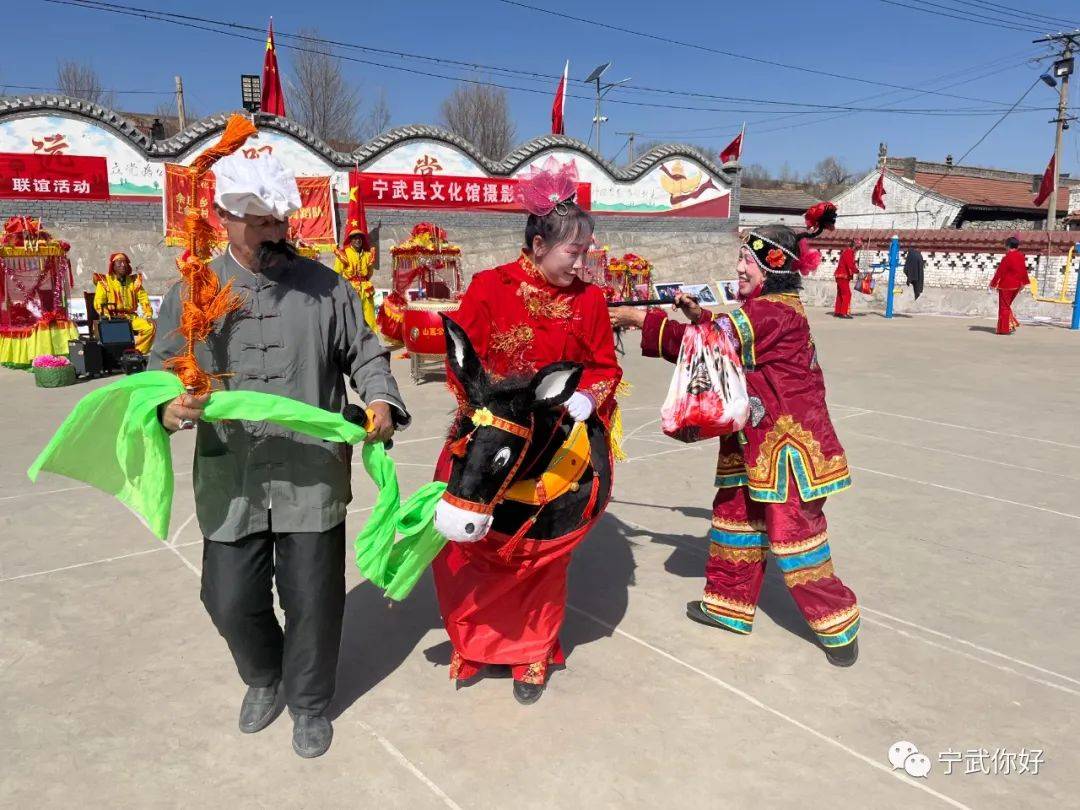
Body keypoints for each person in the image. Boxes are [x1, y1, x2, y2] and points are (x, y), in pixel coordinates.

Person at [149, 152, 409, 758]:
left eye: (277, 221)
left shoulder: (327, 289)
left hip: (311, 475)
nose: (272, 233)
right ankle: (264, 676)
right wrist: (166, 409)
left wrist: (379, 399)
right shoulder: (193, 295)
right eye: (257, 222)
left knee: (314, 601)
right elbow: (158, 375)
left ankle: (312, 704)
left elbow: (366, 354)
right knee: (228, 599)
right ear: (223, 219)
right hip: (231, 477)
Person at [610, 203, 860, 666]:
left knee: (794, 537)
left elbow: (703, 349)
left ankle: (838, 621)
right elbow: (718, 338)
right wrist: (698, 314)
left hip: (788, 449)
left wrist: (636, 320)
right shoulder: (764, 311)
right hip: (756, 441)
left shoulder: (769, 313)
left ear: (772, 266)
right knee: (736, 521)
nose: (739, 268)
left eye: (747, 260)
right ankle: (728, 605)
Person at [431, 157, 623, 704]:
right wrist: (485, 407)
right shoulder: (491, 288)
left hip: (554, 448)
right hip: (493, 437)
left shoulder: (589, 301)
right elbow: (460, 360)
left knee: (541, 556)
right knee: (467, 554)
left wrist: (588, 395)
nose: (583, 262)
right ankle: (472, 644)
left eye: (586, 251)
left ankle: (533, 650)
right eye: (573, 251)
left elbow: (607, 367)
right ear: (538, 244)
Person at [93, 252, 156, 353]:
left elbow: (144, 298)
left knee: (150, 327)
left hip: (131, 317)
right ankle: (121, 354)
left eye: (125, 262)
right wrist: (106, 315)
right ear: (112, 266)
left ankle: (135, 352)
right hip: (113, 318)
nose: (123, 265)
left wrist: (148, 314)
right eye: (119, 262)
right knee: (116, 331)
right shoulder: (104, 281)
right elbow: (99, 302)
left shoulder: (134, 281)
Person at [332, 227, 377, 330]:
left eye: (360, 238)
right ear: (350, 240)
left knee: (369, 315)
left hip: (366, 289)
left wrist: (363, 282)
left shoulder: (368, 255)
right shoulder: (344, 254)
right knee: (352, 315)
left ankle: (371, 340)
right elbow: (336, 274)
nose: (357, 240)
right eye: (355, 238)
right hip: (350, 289)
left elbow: (370, 273)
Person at [989, 236, 1029, 335]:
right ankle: (1009, 325)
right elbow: (1023, 271)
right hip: (1017, 286)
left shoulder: (1007, 258)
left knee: (1004, 307)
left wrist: (993, 284)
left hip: (1006, 286)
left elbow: (999, 273)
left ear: (1007, 246)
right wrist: (1023, 283)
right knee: (1007, 306)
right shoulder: (1021, 256)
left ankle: (1004, 329)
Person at [833, 239, 857, 318]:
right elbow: (850, 265)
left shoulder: (847, 252)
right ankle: (844, 312)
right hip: (843, 276)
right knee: (847, 294)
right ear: (854, 246)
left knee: (840, 294)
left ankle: (838, 311)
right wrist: (857, 271)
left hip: (840, 276)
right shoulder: (849, 252)